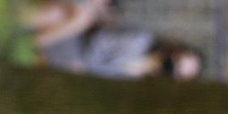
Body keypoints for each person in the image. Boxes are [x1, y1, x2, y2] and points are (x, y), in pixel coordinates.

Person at [41, 26, 204, 80]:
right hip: (76, 50)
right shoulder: (140, 40)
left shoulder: (139, 81)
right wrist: (84, 65)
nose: (175, 64)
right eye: (180, 59)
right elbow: (99, 40)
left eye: (181, 70)